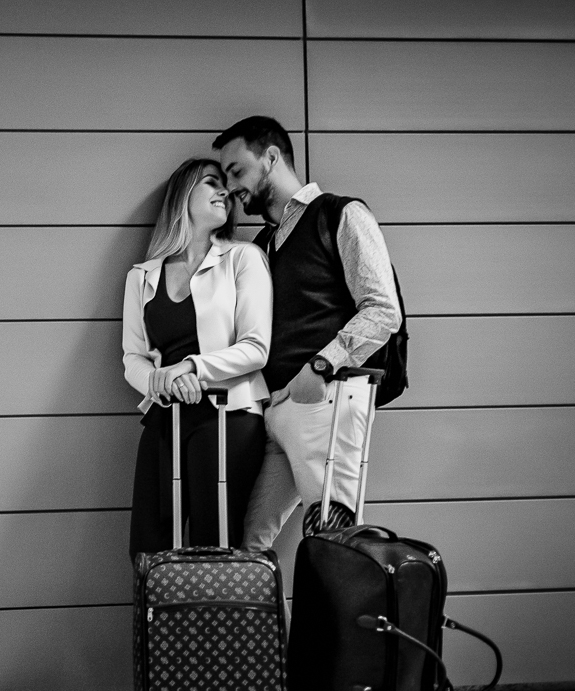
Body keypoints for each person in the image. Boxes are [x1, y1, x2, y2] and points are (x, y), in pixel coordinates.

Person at [212, 116, 402, 552]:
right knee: (251, 540)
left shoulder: (340, 213)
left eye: (237, 171)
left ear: (271, 157)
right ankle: (263, 623)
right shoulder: (264, 244)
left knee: (334, 540)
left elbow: (381, 309)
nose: (231, 187)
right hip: (277, 409)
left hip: (326, 400)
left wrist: (319, 367)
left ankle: (354, 621)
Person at [123, 158, 272, 558]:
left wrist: (191, 368)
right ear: (183, 195)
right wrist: (164, 381)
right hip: (164, 417)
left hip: (227, 418)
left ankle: (216, 622)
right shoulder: (143, 275)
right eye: (211, 182)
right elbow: (133, 358)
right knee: (148, 549)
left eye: (226, 185)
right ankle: (155, 622)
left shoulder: (243, 259)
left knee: (216, 546)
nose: (225, 191)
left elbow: (256, 348)